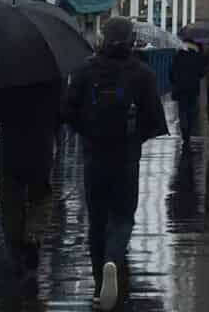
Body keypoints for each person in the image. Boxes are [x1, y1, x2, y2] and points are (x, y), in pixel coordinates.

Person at [64, 17, 167, 311]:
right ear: (132, 40)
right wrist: (135, 140)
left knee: (97, 221)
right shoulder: (143, 73)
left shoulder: (84, 70)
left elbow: (67, 110)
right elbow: (154, 119)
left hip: (94, 155)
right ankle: (113, 258)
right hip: (126, 158)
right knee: (122, 217)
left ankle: (99, 285)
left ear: (103, 39)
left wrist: (87, 132)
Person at [0, 79, 62, 291]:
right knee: (42, 196)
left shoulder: (5, 79)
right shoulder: (52, 79)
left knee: (10, 204)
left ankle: (17, 256)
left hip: (10, 152)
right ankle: (33, 236)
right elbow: (63, 113)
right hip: (41, 149)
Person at [169, 42, 205, 141]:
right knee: (192, 109)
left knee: (182, 110)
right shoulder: (196, 57)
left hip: (180, 88)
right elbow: (202, 73)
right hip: (193, 88)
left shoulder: (177, 57)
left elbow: (172, 72)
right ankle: (189, 129)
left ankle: (184, 129)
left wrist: (175, 82)